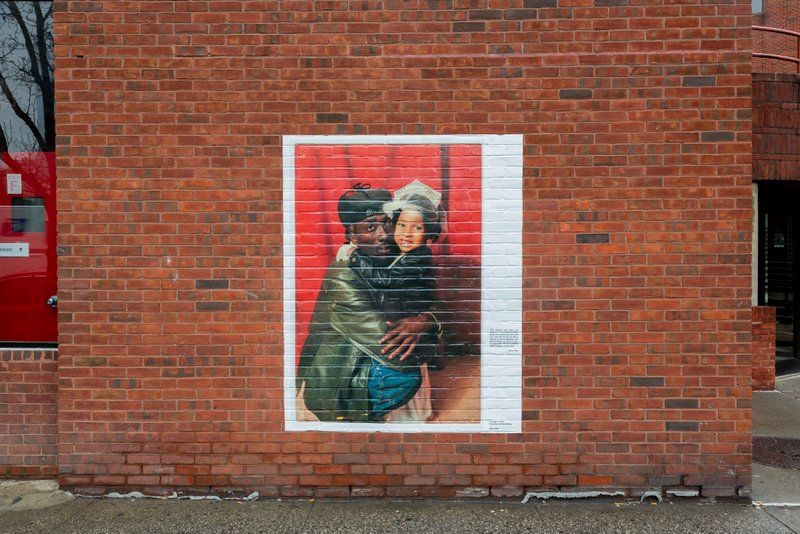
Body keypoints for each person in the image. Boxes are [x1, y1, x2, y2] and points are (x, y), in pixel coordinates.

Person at [296, 185, 439, 422]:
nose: (383, 234)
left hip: (379, 348)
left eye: (389, 223)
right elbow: (390, 347)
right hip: (348, 364)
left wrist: (425, 320)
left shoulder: (406, 254)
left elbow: (436, 302)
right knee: (405, 367)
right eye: (370, 227)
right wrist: (425, 330)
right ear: (352, 235)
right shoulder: (345, 274)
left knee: (409, 338)